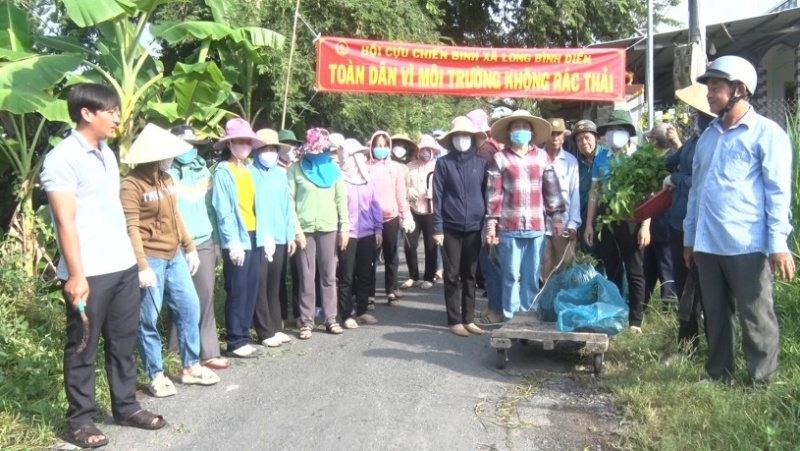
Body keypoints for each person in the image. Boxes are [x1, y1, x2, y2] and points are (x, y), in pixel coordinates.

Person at [41, 83, 165, 449]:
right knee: (83, 346)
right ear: (87, 113)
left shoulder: (107, 153)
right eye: (110, 110)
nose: (117, 116)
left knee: (123, 343)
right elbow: (65, 222)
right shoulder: (62, 158)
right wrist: (76, 275)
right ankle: (80, 420)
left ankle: (125, 406)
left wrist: (135, 261)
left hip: (122, 265)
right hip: (89, 271)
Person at [684, 55, 794, 385]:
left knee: (756, 315)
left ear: (739, 90)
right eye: (709, 88)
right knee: (716, 315)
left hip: (747, 243)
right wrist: (690, 237)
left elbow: (778, 193)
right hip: (708, 244)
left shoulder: (766, 134)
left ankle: (762, 381)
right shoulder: (708, 137)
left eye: (716, 88)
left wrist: (778, 244)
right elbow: (696, 191)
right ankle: (719, 374)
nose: (709, 94)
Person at [120, 124, 222, 397]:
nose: (170, 158)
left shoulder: (165, 179)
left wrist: (189, 247)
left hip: (174, 254)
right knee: (148, 317)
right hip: (150, 258)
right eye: (166, 154)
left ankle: (190, 367)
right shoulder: (131, 185)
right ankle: (156, 373)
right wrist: (141, 265)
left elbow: (175, 216)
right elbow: (131, 227)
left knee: (190, 306)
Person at [166, 125, 229, 371]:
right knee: (179, 300)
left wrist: (217, 244)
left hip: (204, 241)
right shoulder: (165, 173)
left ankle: (208, 351)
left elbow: (210, 208)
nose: (188, 148)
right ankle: (176, 355)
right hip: (176, 244)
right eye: (183, 144)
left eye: (191, 144)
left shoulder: (203, 170)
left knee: (205, 297)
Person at [583, 110, 650, 332]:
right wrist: (590, 224)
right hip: (607, 217)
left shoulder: (639, 156)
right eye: (611, 131)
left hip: (632, 216)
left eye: (619, 130)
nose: (614, 135)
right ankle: (615, 313)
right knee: (611, 268)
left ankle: (636, 321)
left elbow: (648, 194)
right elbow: (595, 192)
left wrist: (645, 225)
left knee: (635, 269)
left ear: (628, 133)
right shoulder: (602, 157)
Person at [485, 110, 552, 320]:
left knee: (532, 277)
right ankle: (510, 318)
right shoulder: (500, 158)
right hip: (509, 226)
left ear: (531, 131)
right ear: (509, 132)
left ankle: (529, 317)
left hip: (536, 226)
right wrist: (491, 226)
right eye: (516, 127)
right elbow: (494, 195)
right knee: (510, 275)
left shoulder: (542, 157)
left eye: (524, 127)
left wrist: (557, 218)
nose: (520, 130)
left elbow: (551, 191)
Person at [212, 118, 270, 358]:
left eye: (248, 141)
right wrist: (231, 240)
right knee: (237, 289)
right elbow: (223, 208)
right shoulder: (223, 171)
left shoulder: (251, 170)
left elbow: (261, 205)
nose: (245, 146)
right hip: (237, 237)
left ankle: (244, 336)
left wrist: (266, 235)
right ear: (230, 143)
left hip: (255, 235)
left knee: (251, 288)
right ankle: (235, 341)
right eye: (240, 141)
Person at [663, 84, 714, 355]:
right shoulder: (695, 139)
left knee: (702, 291)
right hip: (679, 222)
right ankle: (687, 344)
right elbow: (675, 161)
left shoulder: (712, 142)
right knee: (684, 287)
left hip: (699, 226)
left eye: (698, 111)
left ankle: (707, 347)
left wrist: (676, 180)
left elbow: (702, 181)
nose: (695, 115)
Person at [288, 128, 350, 339]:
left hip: (329, 228)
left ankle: (331, 319)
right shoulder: (295, 169)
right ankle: (306, 321)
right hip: (304, 230)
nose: (318, 152)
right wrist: (296, 230)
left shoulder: (333, 170)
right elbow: (290, 202)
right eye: (315, 149)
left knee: (329, 276)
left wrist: (345, 227)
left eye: (323, 149)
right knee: (306, 276)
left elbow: (341, 201)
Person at [433, 116, 488, 336]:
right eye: (457, 136)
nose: (462, 140)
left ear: (473, 139)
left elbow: (487, 194)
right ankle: (454, 319)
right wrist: (437, 227)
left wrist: (486, 225)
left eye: (466, 136)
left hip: (474, 228)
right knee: (452, 274)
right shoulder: (443, 164)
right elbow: (436, 196)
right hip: (450, 228)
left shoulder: (481, 163)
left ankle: (469, 318)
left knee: (470, 275)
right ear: (452, 139)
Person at [251, 129, 296, 347]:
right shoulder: (250, 173)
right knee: (260, 283)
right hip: (260, 237)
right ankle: (264, 330)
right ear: (256, 151)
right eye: (264, 149)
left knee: (274, 283)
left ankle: (276, 326)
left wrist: (290, 236)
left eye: (272, 149)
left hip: (280, 236)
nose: (268, 153)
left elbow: (287, 208)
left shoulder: (280, 174)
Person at [337, 138, 382, 328]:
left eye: (360, 155)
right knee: (347, 275)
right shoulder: (338, 179)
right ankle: (346, 314)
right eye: (354, 155)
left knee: (365, 273)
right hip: (347, 233)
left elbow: (375, 204)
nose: (358, 159)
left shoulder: (368, 179)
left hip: (367, 233)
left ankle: (361, 310)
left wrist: (378, 228)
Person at [367, 131, 413, 305]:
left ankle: (391, 290)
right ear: (372, 146)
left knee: (391, 254)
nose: (381, 149)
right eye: (378, 145)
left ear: (389, 148)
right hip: (370, 218)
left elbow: (401, 193)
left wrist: (405, 214)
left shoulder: (395, 168)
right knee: (370, 257)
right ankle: (369, 294)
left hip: (390, 216)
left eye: (385, 145)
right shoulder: (366, 167)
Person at [470, 109, 505, 324]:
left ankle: (496, 309)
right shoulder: (492, 148)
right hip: (492, 214)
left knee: (491, 264)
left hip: (488, 215)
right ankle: (494, 306)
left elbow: (485, 188)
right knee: (492, 263)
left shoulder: (484, 151)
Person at [643, 123, 680, 305]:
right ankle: (643, 309)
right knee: (648, 270)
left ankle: (669, 310)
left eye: (650, 138)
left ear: (655, 140)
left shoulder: (671, 161)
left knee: (667, 271)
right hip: (651, 224)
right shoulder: (650, 161)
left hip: (664, 224)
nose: (648, 142)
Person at [541, 118, 581, 282]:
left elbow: (574, 193)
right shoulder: (537, 158)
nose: (555, 138)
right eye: (551, 134)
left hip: (564, 226)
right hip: (540, 226)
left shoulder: (570, 161)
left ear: (564, 137)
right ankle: (542, 306)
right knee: (543, 272)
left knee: (565, 272)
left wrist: (573, 223)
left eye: (558, 134)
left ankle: (562, 307)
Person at [402, 135, 439, 290]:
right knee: (410, 244)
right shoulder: (409, 166)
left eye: (428, 150)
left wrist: (435, 193)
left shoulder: (438, 166)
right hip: (413, 210)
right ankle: (413, 276)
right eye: (422, 149)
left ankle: (429, 277)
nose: (425, 152)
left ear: (432, 151)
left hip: (432, 211)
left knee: (431, 246)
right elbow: (401, 186)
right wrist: (408, 190)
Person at [571, 120, 604, 268]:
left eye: (587, 137)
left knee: (613, 262)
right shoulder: (575, 164)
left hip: (606, 219)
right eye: (579, 139)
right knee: (591, 262)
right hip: (585, 220)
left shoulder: (606, 158)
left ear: (596, 138)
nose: (584, 142)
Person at [277, 129, 302, 324]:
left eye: (292, 145)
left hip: (297, 225)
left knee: (298, 270)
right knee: (278, 273)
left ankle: (300, 312)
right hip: (277, 227)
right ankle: (281, 314)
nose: (290, 149)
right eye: (286, 144)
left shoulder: (298, 168)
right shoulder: (273, 169)